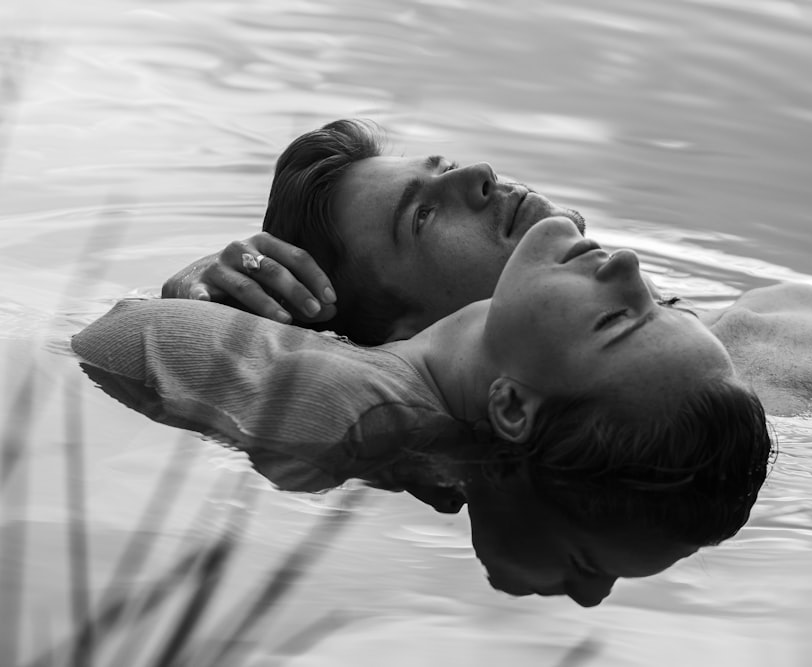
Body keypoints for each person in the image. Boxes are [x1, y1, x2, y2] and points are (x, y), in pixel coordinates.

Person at [74, 215, 774, 607]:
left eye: (615, 322)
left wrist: (183, 299)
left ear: (509, 404)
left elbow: (123, 336)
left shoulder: (343, 408)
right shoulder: (403, 412)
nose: (627, 264)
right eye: (667, 303)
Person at [162, 119, 812, 416]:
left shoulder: (793, 309)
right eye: (424, 215)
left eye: (452, 164)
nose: (484, 176)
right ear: (410, 331)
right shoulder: (502, 433)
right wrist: (202, 300)